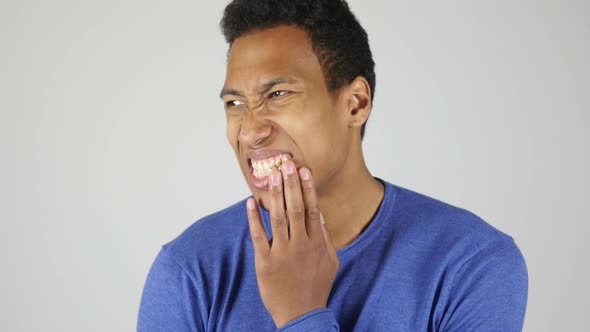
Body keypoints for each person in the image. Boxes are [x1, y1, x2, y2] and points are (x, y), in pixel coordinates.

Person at [137, 0, 528, 330]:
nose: (250, 131)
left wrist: (301, 313)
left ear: (355, 103)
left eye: (278, 94)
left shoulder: (472, 263)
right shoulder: (188, 270)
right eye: (235, 104)